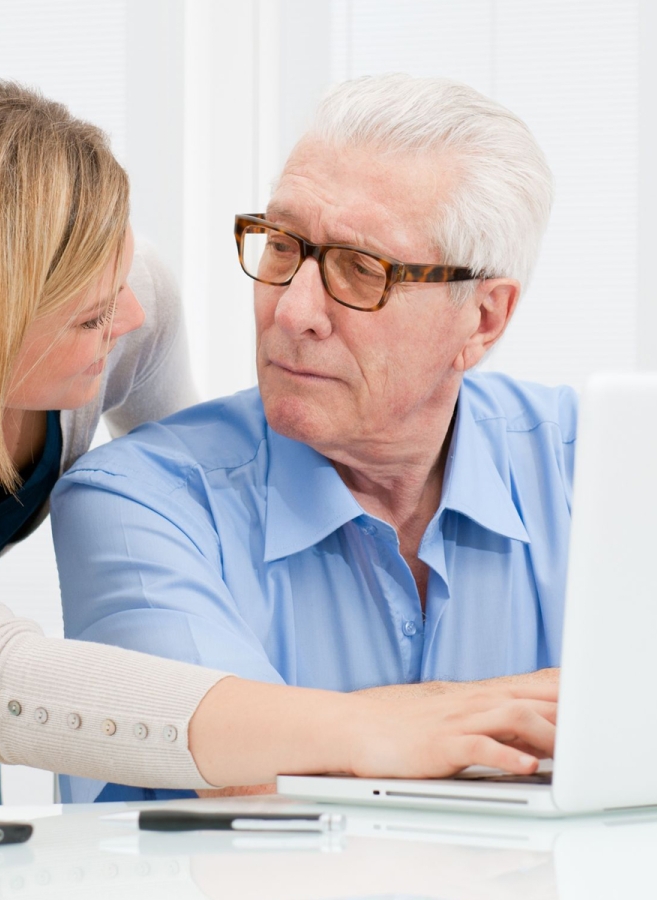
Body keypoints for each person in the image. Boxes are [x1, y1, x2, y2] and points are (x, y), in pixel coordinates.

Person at [0, 76, 556, 809]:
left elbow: (212, 508)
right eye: (87, 315)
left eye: (116, 279)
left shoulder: (121, 299)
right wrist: (380, 726)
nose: (133, 319)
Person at [52, 74, 572, 803]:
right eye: (282, 246)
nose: (293, 311)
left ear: (482, 319)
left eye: (362, 270)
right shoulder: (137, 500)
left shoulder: (593, 466)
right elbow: (237, 785)